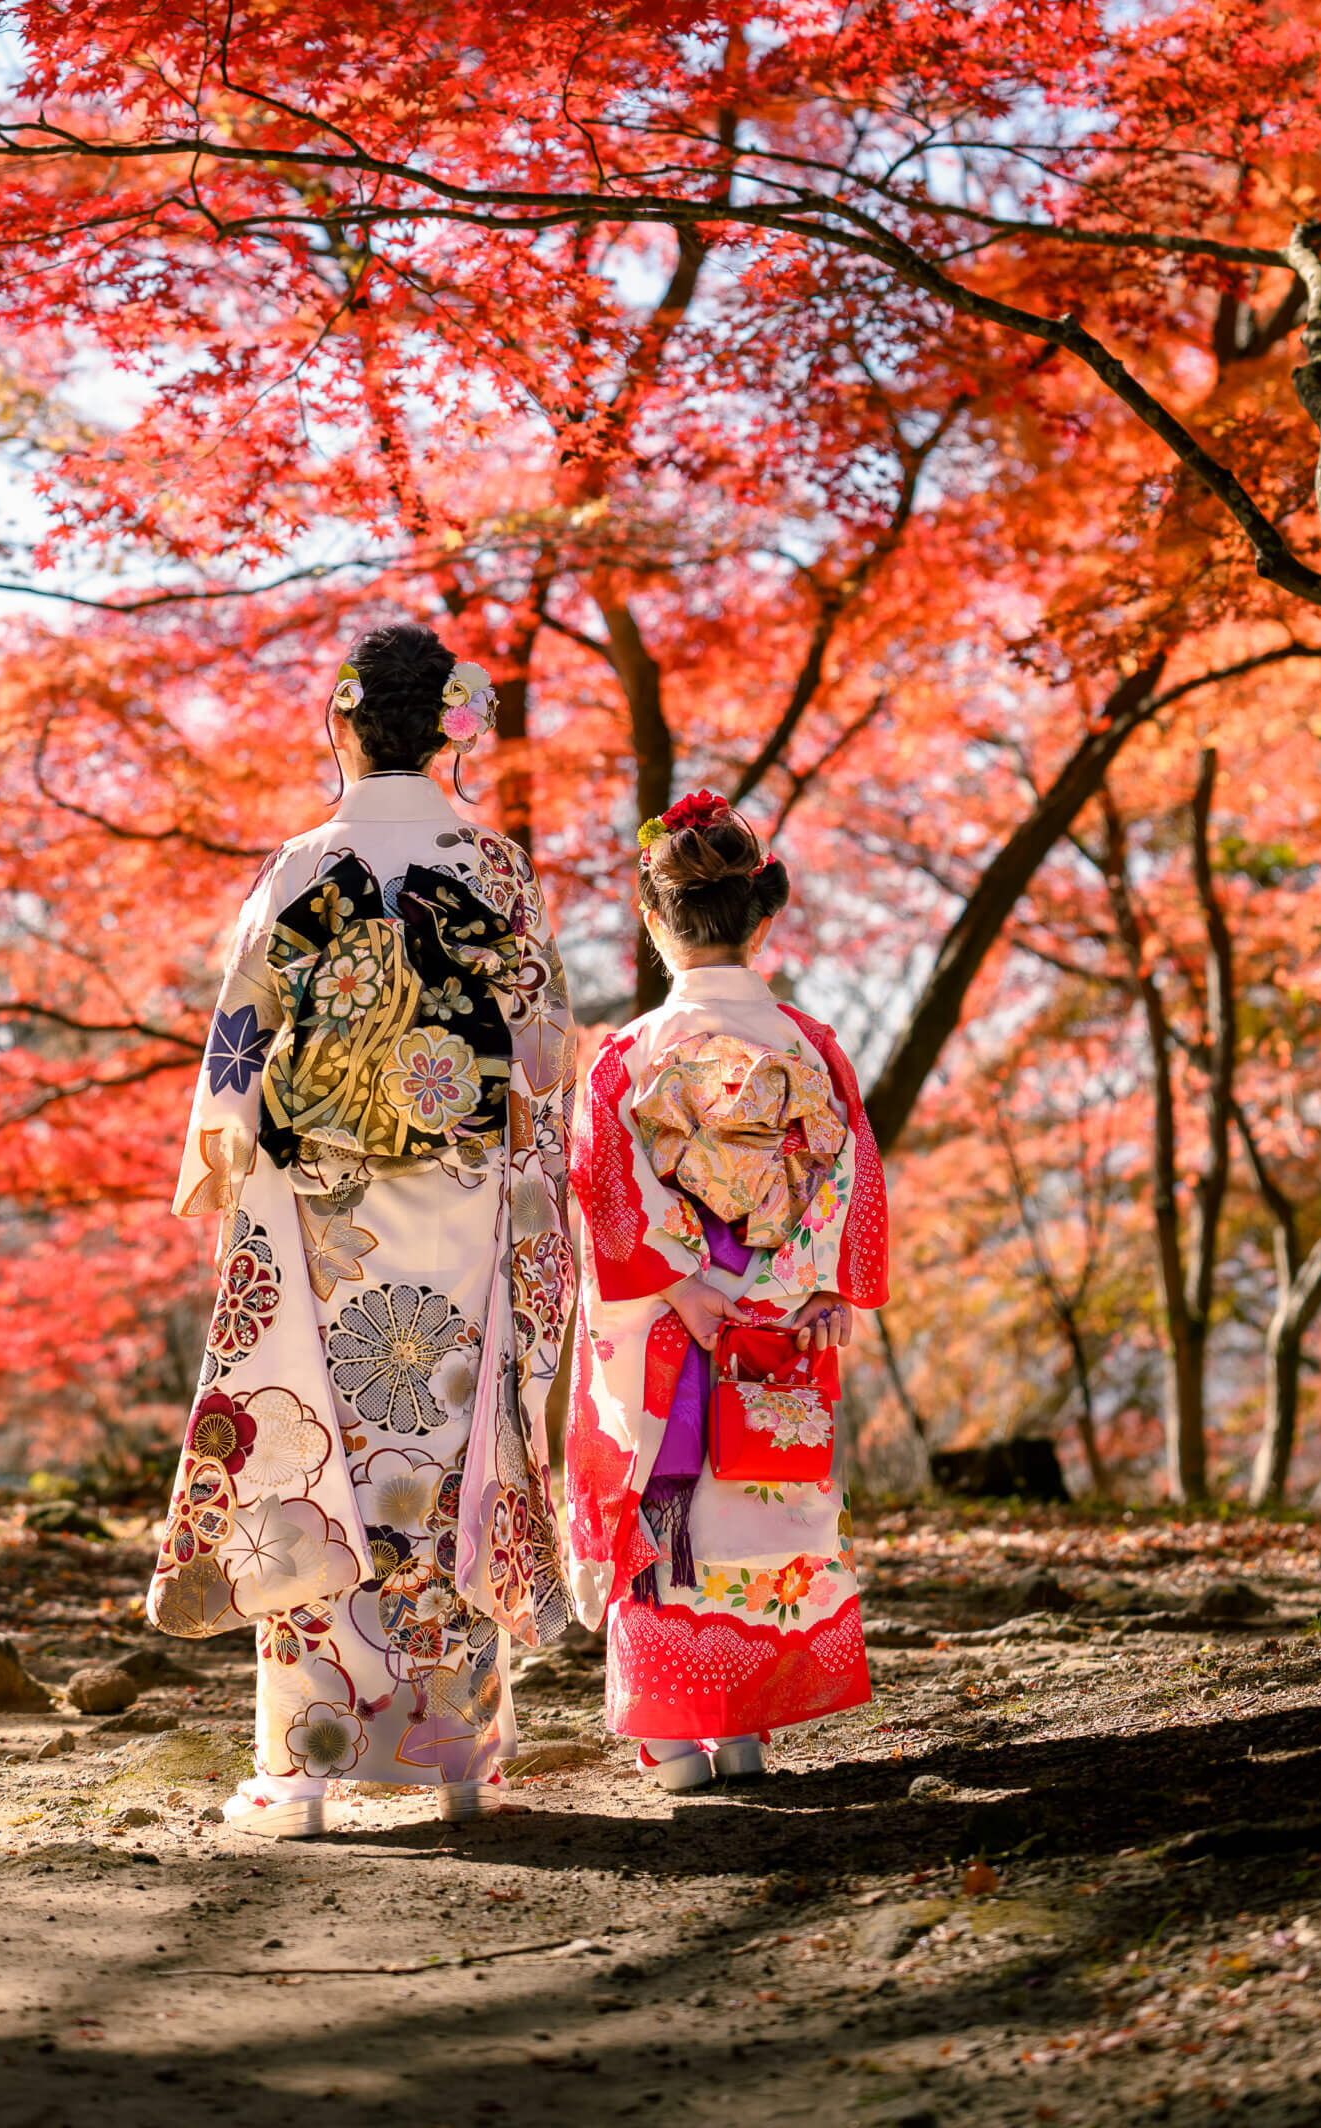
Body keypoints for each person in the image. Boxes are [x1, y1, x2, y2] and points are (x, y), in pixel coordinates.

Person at [147, 624, 576, 1836]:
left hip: (321, 1205)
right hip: (465, 1191)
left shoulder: (298, 863)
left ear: (341, 723)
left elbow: (238, 1038)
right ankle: (454, 1758)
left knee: (311, 1449)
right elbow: (542, 1047)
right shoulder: (495, 864)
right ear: (452, 725)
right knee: (448, 1451)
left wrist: (236, 1168)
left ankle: (301, 1769)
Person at [565, 790, 889, 1791]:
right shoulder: (809, 1043)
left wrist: (682, 1282)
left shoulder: (625, 1056)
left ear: (654, 922)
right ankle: (745, 1724)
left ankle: (672, 1737)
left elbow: (602, 1182)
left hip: (666, 1316)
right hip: (778, 1308)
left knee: (667, 1497)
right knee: (765, 1500)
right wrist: (800, 1283)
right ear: (761, 917)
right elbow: (846, 1172)